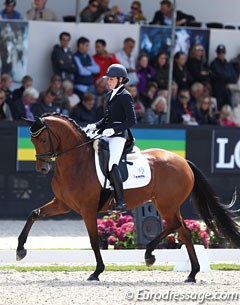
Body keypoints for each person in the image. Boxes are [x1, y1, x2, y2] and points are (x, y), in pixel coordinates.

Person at [86, 64, 137, 212]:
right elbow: (106, 119)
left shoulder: (125, 96)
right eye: (108, 79)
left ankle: (121, 202)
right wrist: (95, 126)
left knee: (112, 164)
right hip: (107, 134)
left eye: (111, 79)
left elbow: (131, 120)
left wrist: (113, 130)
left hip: (119, 137)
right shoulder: (109, 95)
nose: (108, 82)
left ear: (121, 79)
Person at [210, 44, 238, 110]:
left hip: (227, 90)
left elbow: (234, 78)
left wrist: (226, 77)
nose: (221, 54)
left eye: (223, 52)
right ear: (217, 53)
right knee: (218, 108)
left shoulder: (228, 64)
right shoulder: (214, 63)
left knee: (229, 108)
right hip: (218, 90)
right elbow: (220, 76)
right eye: (219, 52)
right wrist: (227, 76)